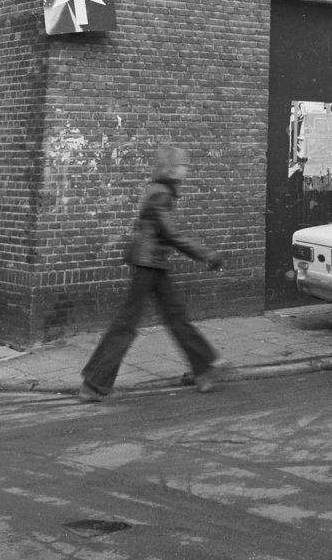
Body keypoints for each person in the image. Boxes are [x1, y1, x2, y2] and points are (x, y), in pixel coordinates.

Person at [79, 145, 225, 403]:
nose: (186, 170)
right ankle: (94, 382)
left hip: (153, 263)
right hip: (148, 265)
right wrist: (206, 254)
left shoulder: (159, 189)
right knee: (127, 323)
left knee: (175, 316)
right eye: (182, 165)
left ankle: (203, 369)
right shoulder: (161, 194)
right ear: (171, 168)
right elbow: (172, 234)